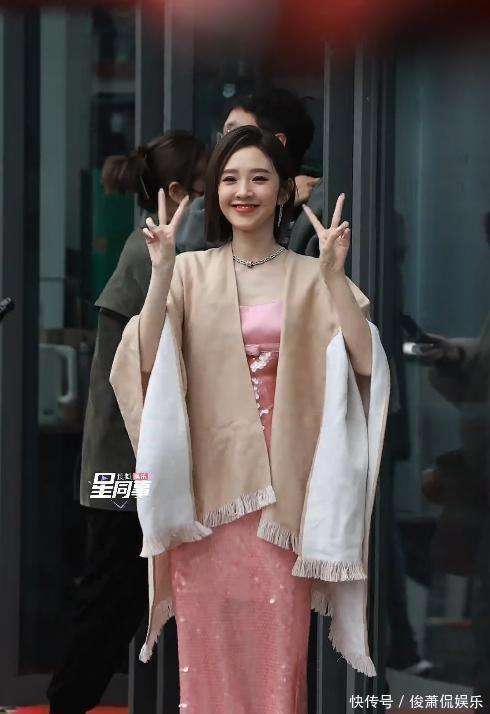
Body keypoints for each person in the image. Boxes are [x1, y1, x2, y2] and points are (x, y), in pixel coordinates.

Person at [110, 125, 391, 712]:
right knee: (207, 656)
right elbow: (145, 361)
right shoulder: (189, 271)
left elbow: (366, 363)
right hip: (207, 495)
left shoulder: (311, 275)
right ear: (214, 191)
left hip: (284, 495)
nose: (244, 191)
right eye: (230, 179)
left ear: (284, 190)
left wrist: (334, 277)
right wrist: (160, 271)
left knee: (278, 656)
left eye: (260, 178)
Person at [47, 130, 207, 714]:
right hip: (124, 463)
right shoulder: (150, 256)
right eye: (209, 188)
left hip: (127, 458)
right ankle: (67, 703)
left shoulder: (158, 250)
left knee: (117, 596)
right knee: (111, 597)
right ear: (177, 193)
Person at [174, 87, 323, 255]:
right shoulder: (198, 214)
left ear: (277, 142)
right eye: (223, 135)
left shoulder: (317, 209)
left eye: (234, 133)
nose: (223, 145)